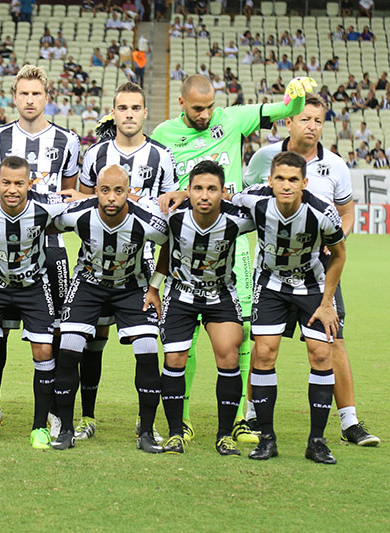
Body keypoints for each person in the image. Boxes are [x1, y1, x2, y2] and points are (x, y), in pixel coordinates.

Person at [151, 74, 315, 444]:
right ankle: (186, 419)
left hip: (234, 244)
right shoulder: (163, 134)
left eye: (210, 107)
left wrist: (296, 93)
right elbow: (155, 183)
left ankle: (240, 418)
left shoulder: (234, 118)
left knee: (240, 333)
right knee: (182, 339)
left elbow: (288, 110)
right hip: (186, 242)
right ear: (181, 104)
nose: (206, 115)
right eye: (198, 109)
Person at [243, 94, 379, 446]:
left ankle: (349, 422)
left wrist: (333, 238)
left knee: (331, 344)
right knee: (263, 346)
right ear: (288, 121)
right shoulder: (262, 158)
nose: (312, 126)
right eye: (305, 119)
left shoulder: (335, 165)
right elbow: (247, 202)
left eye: (318, 120)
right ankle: (252, 415)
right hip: (270, 272)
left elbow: (346, 214)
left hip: (318, 273)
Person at [68, 82, 177, 440]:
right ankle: (86, 417)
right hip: (96, 265)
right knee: (90, 340)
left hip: (142, 269)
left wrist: (157, 283)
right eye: (122, 108)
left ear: (145, 113)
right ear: (113, 113)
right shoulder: (95, 155)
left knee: (147, 346)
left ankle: (146, 424)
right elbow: (84, 207)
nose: (129, 114)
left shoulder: (161, 156)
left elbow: (169, 211)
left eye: (135, 108)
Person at [0, 65, 81, 439]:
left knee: (51, 335)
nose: (29, 100)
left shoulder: (67, 142)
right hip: (0, 253)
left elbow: (68, 198)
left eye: (36, 94)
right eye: (23, 94)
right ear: (14, 96)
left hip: (50, 251)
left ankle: (54, 412)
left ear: (46, 96)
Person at [235, 152, 346, 464]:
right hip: (270, 286)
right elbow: (222, 199)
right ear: (269, 180)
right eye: (280, 179)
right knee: (265, 354)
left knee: (322, 354)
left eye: (293, 180)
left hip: (312, 287)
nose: (286, 185)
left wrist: (327, 303)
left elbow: (339, 254)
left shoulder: (322, 212)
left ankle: (317, 442)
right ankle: (267, 439)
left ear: (304, 183)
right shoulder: (254, 199)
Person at [50, 164, 169, 452]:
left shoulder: (147, 222)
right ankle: (66, 429)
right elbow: (46, 222)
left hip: (132, 286)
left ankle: (146, 430)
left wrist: (155, 286)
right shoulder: (79, 212)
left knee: (148, 352)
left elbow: (169, 243)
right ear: (96, 191)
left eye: (119, 191)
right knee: (68, 349)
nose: (112, 198)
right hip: (88, 285)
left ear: (129, 192)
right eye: (105, 191)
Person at [0, 156, 70, 448]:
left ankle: (39, 428)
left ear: (30, 184)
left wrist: (89, 194)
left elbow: (84, 206)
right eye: (6, 182)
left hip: (33, 286)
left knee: (44, 349)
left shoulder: (45, 205)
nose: (12, 189)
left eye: (19, 183)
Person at [149, 161, 256, 455]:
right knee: (174, 359)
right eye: (197, 188)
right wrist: (154, 286)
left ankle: (224, 435)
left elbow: (270, 205)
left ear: (223, 192)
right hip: (180, 294)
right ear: (189, 190)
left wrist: (239, 197)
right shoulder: (173, 217)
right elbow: (165, 249)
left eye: (212, 189)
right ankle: (175, 433)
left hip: (220, 294)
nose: (204, 195)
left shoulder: (238, 219)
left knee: (229, 356)